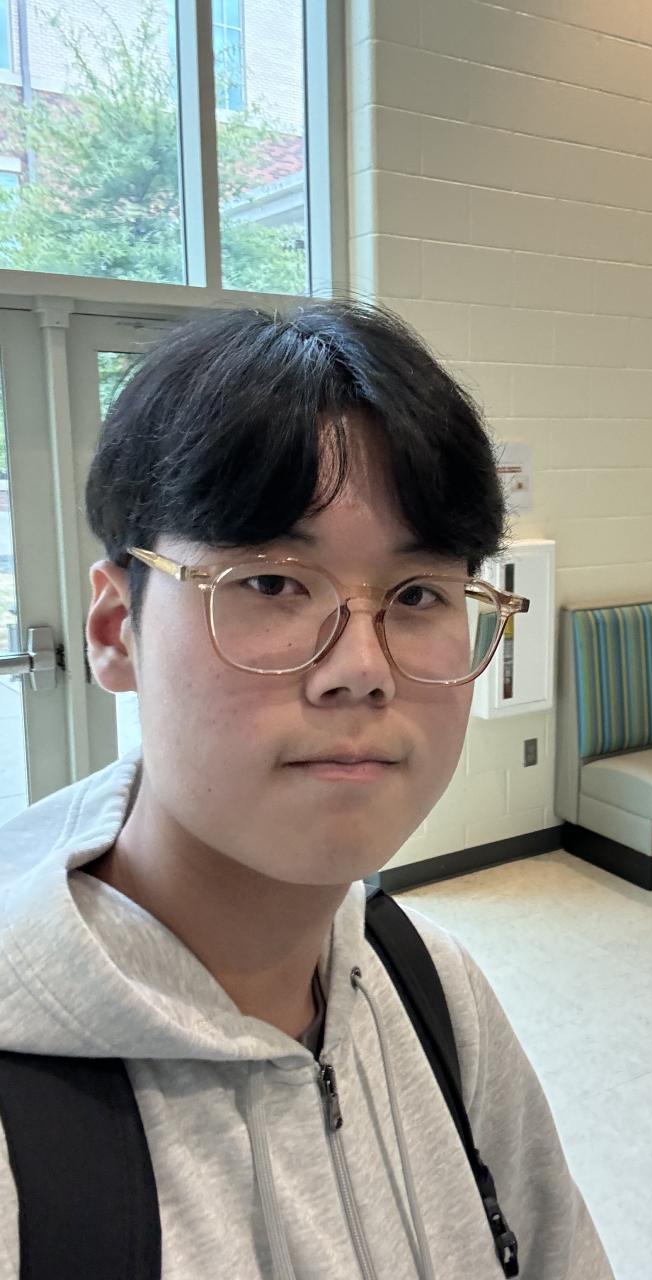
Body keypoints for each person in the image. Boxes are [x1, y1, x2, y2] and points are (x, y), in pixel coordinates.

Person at [0, 304, 614, 1279]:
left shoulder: (434, 989)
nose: (361, 669)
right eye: (272, 583)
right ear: (116, 629)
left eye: (418, 594)